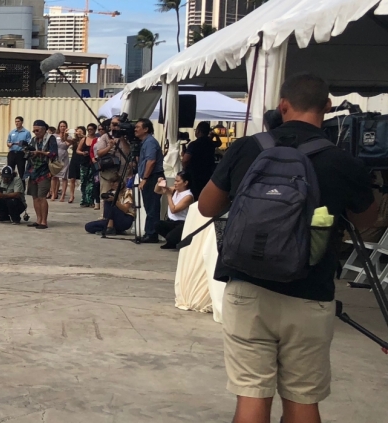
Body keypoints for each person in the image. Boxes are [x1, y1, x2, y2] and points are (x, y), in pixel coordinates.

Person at [199, 73, 378, 423]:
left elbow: (207, 207)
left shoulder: (248, 147)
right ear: (327, 106)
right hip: (310, 292)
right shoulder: (342, 160)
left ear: (282, 106)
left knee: (251, 396)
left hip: (247, 286)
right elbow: (366, 221)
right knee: (302, 401)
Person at [135, 118, 163, 244]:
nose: (135, 129)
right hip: (149, 176)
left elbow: (151, 161)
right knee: (149, 205)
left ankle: (152, 233)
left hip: (152, 177)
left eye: (138, 127)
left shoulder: (150, 142)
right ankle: (149, 231)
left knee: (152, 206)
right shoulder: (144, 142)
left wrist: (145, 178)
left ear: (146, 129)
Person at [25, 120, 58, 229]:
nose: (35, 132)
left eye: (37, 130)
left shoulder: (50, 138)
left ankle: (44, 221)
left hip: (44, 171)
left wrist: (40, 153)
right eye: (33, 130)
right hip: (33, 170)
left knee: (42, 196)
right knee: (35, 197)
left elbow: (53, 154)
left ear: (44, 129)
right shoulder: (33, 140)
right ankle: (38, 220)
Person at [156, 171, 194, 250]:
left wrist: (169, 195)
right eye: (175, 181)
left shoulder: (188, 196)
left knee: (171, 236)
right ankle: (171, 242)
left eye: (178, 181)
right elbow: (157, 191)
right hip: (171, 221)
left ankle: (176, 241)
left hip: (181, 223)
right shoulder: (174, 190)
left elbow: (174, 210)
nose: (175, 183)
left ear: (185, 183)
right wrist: (159, 183)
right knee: (157, 224)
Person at [182, 121, 219, 198]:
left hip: (194, 174)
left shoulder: (194, 144)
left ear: (198, 131)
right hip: (208, 173)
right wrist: (215, 135)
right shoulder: (210, 143)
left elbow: (186, 159)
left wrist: (184, 167)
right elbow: (219, 143)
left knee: (194, 196)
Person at [77, 123, 98, 209]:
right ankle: (84, 200)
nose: (90, 131)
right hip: (84, 162)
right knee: (83, 182)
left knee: (92, 182)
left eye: (91, 129)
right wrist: (83, 153)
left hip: (92, 162)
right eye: (88, 129)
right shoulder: (84, 139)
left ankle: (90, 200)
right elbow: (78, 150)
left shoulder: (97, 139)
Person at [51, 120, 71, 201]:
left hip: (64, 156)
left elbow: (67, 144)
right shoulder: (54, 136)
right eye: (61, 126)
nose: (62, 128)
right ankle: (53, 194)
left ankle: (62, 195)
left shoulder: (69, 137)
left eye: (64, 126)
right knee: (54, 176)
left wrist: (65, 135)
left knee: (64, 177)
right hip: (55, 156)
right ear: (58, 127)